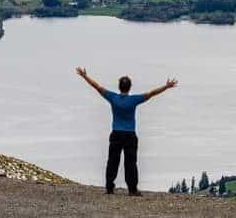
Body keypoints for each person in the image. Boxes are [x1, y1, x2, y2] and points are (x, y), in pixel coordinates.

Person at [76, 67, 178, 196]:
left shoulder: (113, 98)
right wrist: (166, 86)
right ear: (130, 87)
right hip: (130, 135)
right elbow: (151, 93)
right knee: (130, 162)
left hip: (116, 133)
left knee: (113, 161)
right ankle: (132, 190)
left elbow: (97, 86)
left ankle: (109, 188)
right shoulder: (134, 100)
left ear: (119, 86)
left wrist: (85, 76)